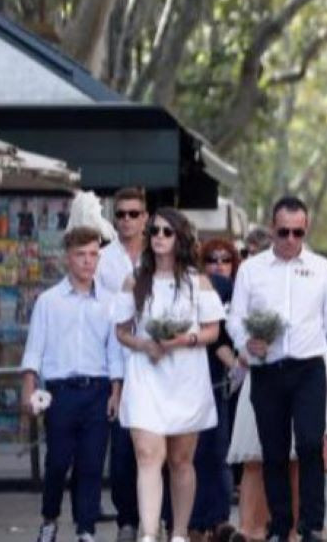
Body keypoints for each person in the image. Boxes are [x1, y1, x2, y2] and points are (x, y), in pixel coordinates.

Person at [228, 196, 327, 542]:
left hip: (308, 369)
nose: (290, 239)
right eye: (283, 232)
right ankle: (280, 525)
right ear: (273, 228)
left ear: (306, 230)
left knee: (310, 444)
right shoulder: (251, 269)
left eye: (297, 233)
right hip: (267, 369)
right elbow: (236, 318)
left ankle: (312, 525)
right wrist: (245, 345)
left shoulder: (320, 268)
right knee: (272, 451)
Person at [109, 207, 225, 542]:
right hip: (146, 371)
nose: (159, 237)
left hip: (185, 375)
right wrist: (144, 345)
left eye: (166, 232)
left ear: (180, 238)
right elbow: (121, 331)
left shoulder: (196, 281)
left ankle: (177, 533)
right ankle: (148, 534)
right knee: (147, 455)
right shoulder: (135, 280)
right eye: (155, 231)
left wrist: (181, 340)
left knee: (180, 460)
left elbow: (212, 331)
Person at [22, 226, 125, 542]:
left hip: (97, 390)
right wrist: (29, 389)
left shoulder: (110, 302)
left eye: (94, 254)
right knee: (57, 463)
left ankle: (85, 529)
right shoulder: (49, 301)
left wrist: (115, 392)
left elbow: (115, 352)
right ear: (68, 258)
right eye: (81, 255)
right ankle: (50, 519)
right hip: (60, 392)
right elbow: (34, 349)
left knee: (92, 464)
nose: (88, 261)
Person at [175, 237, 238, 540]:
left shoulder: (234, 287)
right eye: (212, 259)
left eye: (226, 259)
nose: (219, 265)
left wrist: (240, 364)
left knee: (218, 452)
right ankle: (192, 523)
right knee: (189, 454)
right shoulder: (194, 284)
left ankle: (218, 519)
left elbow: (226, 336)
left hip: (226, 377)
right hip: (191, 376)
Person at [101, 187, 153, 542]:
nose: (127, 220)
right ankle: (127, 520)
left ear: (145, 217)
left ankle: (157, 518)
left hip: (156, 361)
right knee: (121, 449)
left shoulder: (160, 254)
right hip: (115, 358)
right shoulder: (102, 260)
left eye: (134, 213)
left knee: (155, 446)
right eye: (120, 214)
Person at [227, 233, 272, 541]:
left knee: (290, 460)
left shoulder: (309, 273)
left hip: (295, 373)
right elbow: (235, 321)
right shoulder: (248, 275)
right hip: (255, 373)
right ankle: (247, 530)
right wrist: (244, 347)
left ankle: (285, 527)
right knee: (253, 459)